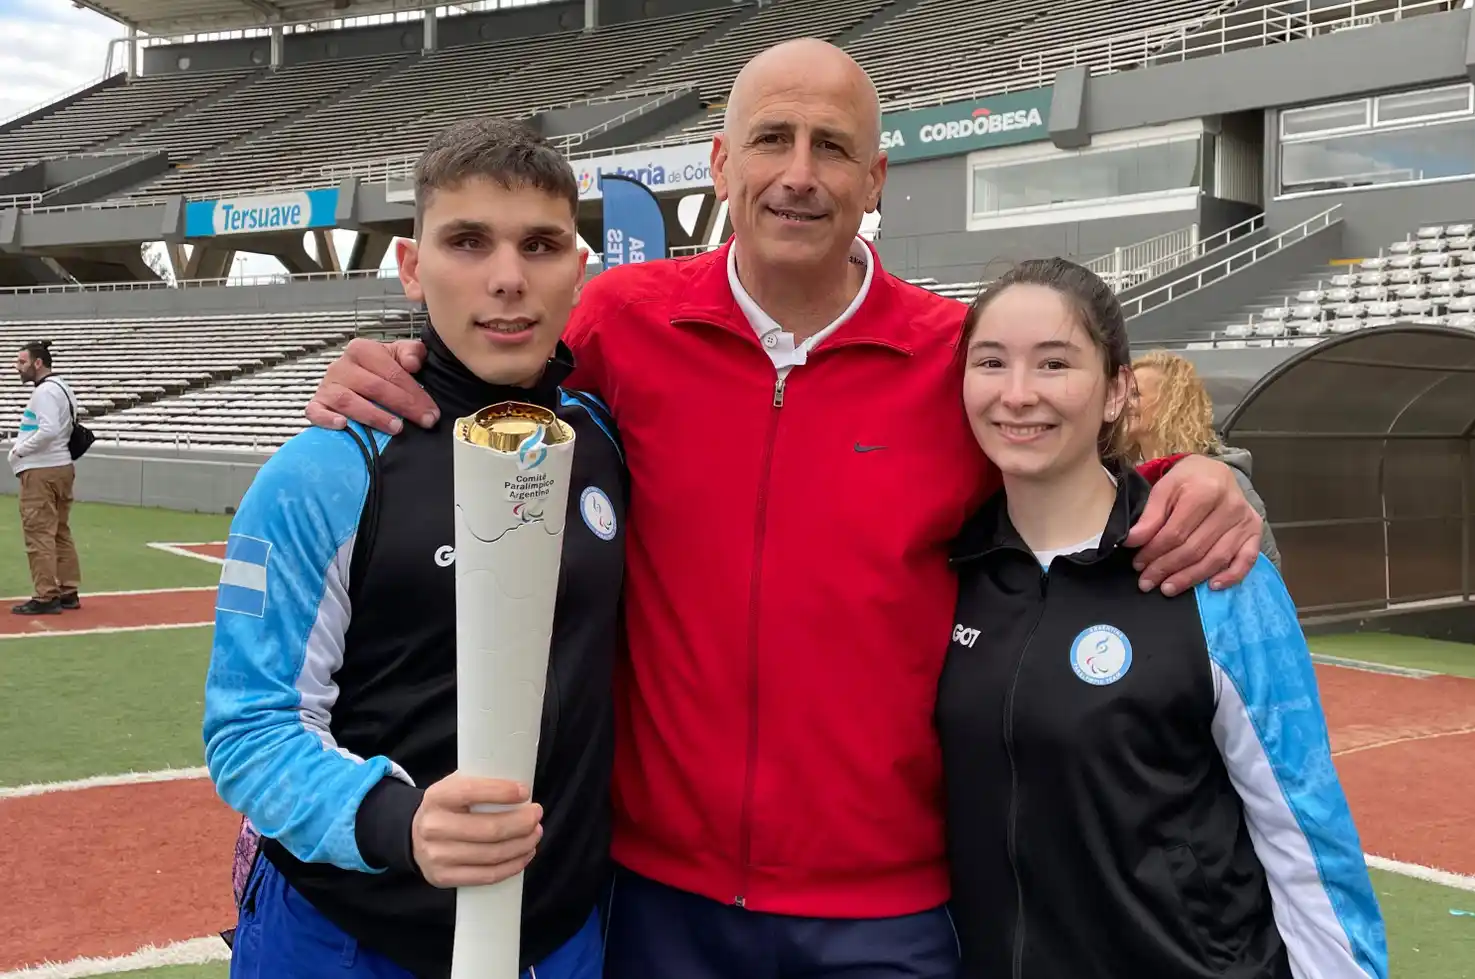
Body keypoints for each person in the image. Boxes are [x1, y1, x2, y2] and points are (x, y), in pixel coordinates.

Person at [303, 39, 1265, 978]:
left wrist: (1205, 475)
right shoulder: (621, 321)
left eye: (832, 146)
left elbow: (1070, 472)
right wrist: (387, 353)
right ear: (721, 163)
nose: (798, 174)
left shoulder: (953, 357)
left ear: (877, 177)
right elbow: (492, 364)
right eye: (771, 139)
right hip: (653, 893)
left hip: (888, 909)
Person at [203, 118, 626, 979]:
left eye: (541, 244)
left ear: (579, 270)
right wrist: (399, 822)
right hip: (351, 938)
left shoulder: (605, 444)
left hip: (561, 936)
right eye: (467, 241)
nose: (507, 278)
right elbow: (248, 730)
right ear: (409, 264)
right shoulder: (328, 465)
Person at [939, 258, 1387, 979]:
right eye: (991, 362)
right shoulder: (949, 570)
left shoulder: (1214, 570)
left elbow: (1305, 831)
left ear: (1117, 392)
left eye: (1055, 363)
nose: (1017, 394)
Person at [1131, 349, 1281, 569]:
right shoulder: (1122, 475)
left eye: (1135, 394)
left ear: (1170, 405)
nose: (1122, 403)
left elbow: (1265, 561)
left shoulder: (1224, 477)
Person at [9, 341, 83, 616]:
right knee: (61, 531)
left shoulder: (44, 393)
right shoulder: (63, 388)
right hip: (62, 466)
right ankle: (67, 590)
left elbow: (49, 430)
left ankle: (46, 595)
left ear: (37, 363)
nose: (18, 367)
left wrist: (19, 450)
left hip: (42, 470)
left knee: (38, 534)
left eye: (22, 362)